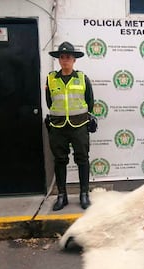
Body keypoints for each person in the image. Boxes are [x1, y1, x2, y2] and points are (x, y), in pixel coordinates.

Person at [46, 41, 94, 211]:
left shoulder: (82, 78)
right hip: (58, 127)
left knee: (82, 159)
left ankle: (84, 194)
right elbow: (49, 101)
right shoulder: (51, 79)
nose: (65, 60)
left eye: (68, 57)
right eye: (62, 57)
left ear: (74, 60)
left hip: (79, 125)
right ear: (59, 60)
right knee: (60, 160)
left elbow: (90, 102)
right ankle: (62, 196)